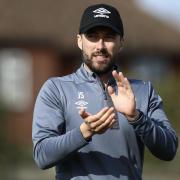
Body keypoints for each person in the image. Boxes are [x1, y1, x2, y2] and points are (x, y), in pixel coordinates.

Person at [32, 3, 178, 180]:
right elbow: (42, 156)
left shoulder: (142, 90)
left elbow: (169, 149)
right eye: (92, 37)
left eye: (109, 37)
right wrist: (84, 132)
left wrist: (137, 118)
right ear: (79, 41)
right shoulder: (56, 89)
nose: (100, 45)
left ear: (121, 42)